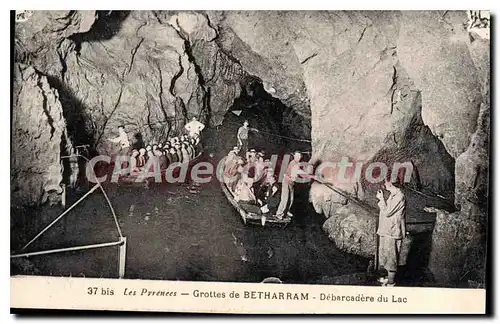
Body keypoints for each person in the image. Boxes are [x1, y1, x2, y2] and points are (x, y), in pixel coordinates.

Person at [376, 179, 407, 287]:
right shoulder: (393, 195)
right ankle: (388, 278)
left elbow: (388, 212)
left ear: (391, 183)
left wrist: (381, 199)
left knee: (391, 258)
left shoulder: (399, 196)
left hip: (392, 231)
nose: (384, 184)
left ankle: (391, 282)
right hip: (387, 230)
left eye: (386, 182)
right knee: (386, 255)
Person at [275, 151, 303, 219]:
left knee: (291, 199)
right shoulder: (293, 163)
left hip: (291, 183)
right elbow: (300, 173)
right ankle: (279, 214)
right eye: (296, 156)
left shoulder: (297, 164)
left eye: (299, 156)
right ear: (294, 156)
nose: (297, 158)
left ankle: (286, 210)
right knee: (285, 198)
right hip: (286, 181)